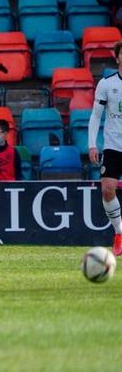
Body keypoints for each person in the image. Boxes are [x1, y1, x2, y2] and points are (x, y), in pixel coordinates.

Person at [88, 40, 122, 256]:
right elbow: (95, 117)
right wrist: (92, 144)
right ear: (117, 57)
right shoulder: (107, 84)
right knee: (107, 190)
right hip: (113, 146)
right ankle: (119, 233)